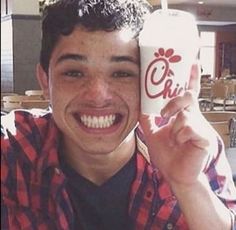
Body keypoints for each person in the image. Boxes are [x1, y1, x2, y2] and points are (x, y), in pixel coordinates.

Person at [1, 0, 236, 229]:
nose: (97, 95)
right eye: (73, 72)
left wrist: (189, 185)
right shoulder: (12, 149)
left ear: (147, 81)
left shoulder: (190, 146)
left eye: (122, 73)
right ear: (45, 80)